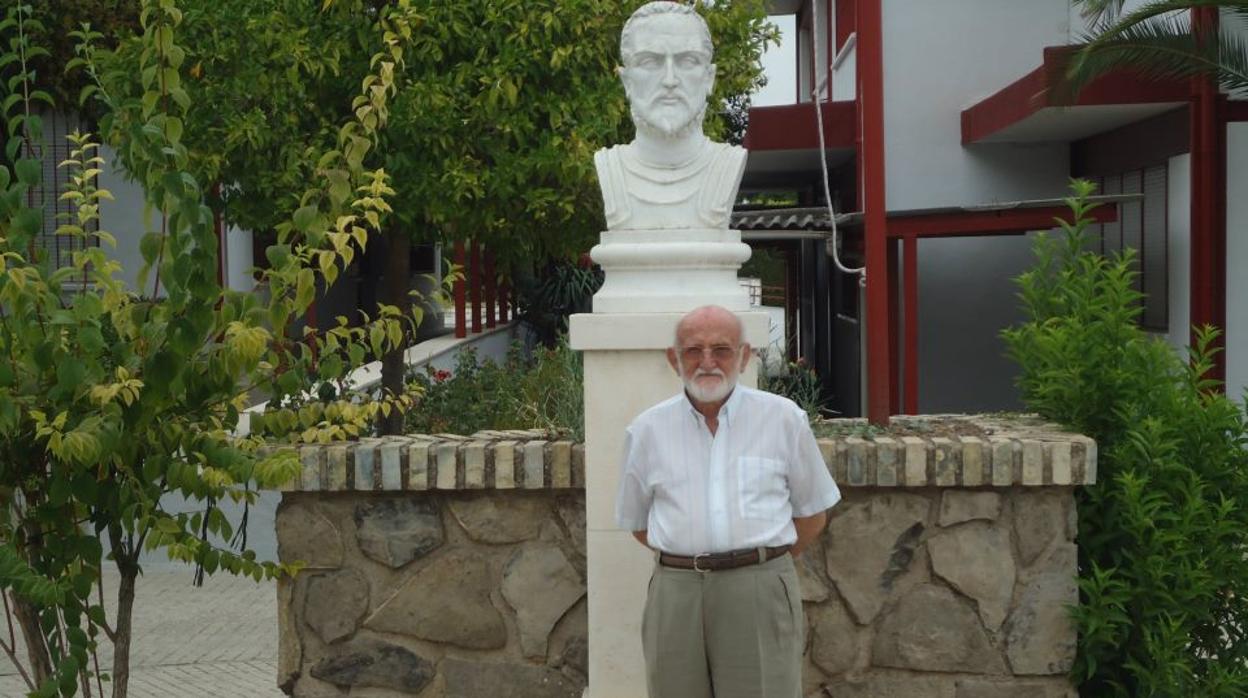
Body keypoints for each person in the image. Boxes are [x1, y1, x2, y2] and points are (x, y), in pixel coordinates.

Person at [615, 305, 842, 698]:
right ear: (673, 359)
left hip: (758, 590)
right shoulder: (646, 431)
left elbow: (812, 514)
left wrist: (758, 564)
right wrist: (690, 551)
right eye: (693, 350)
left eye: (721, 349)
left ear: (744, 355)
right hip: (676, 593)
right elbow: (638, 523)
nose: (707, 362)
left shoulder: (783, 419)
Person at [594, 1, 747, 231]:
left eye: (688, 61)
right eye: (649, 62)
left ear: (709, 78)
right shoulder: (609, 168)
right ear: (627, 81)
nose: (669, 80)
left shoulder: (728, 165)